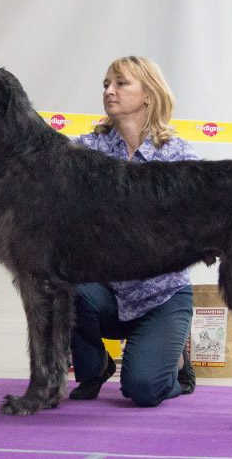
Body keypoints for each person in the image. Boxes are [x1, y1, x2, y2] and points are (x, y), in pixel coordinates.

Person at [69, 56, 197, 406]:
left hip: (162, 297)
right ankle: (94, 368)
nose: (109, 90)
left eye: (121, 83)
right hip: (107, 294)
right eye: (106, 84)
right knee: (62, 282)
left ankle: (178, 362)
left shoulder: (178, 155)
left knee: (142, 391)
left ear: (148, 95)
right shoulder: (88, 148)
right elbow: (42, 157)